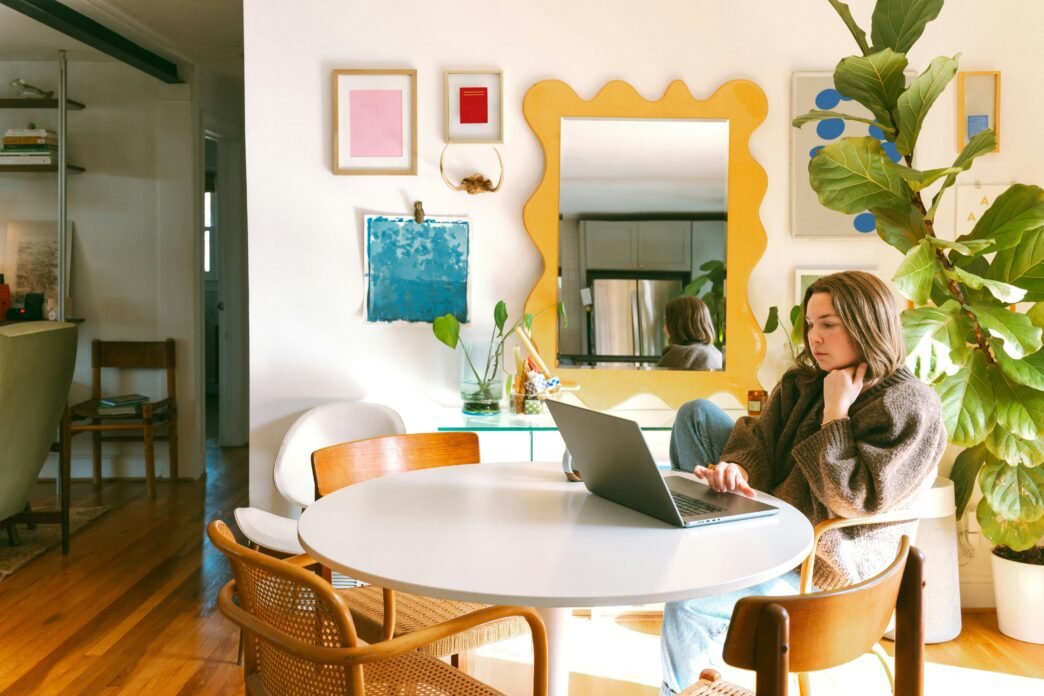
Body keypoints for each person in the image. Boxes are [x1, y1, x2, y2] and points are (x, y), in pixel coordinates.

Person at [660, 271, 946, 695]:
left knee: (689, 602)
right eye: (811, 325)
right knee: (696, 414)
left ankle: (681, 687)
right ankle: (712, 533)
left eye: (828, 324)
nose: (815, 337)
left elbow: (853, 500)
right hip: (776, 522)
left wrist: (836, 415)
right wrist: (739, 470)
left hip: (823, 565)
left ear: (868, 323)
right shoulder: (802, 382)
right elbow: (756, 440)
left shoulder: (909, 405)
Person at [657, 296, 723, 370]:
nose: (664, 329)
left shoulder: (679, 355)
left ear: (678, 324)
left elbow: (654, 381)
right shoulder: (717, 354)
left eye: (667, 321)